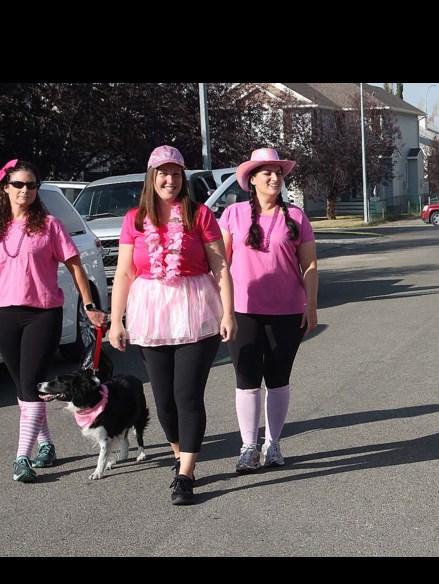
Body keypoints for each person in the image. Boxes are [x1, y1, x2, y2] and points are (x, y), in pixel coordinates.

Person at [108, 145, 236, 505]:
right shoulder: (134, 218)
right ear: (152, 177)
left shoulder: (200, 215)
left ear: (183, 178)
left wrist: (229, 313)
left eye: (176, 173)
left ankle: (186, 474)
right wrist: (116, 320)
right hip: (151, 313)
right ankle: (180, 453)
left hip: (196, 310)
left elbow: (220, 268)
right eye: (163, 173)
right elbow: (124, 272)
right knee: (163, 401)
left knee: (187, 395)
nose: (170, 180)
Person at [0, 159, 109, 482]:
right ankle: (46, 444)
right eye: (18, 184)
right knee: (24, 387)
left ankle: (22, 457)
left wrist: (89, 304)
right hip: (5, 314)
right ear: (5, 187)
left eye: (31, 185)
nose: (25, 191)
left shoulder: (49, 224)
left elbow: (76, 266)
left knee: (32, 382)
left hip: (42, 314)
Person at [219, 149, 318, 473]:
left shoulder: (297, 216)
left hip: (287, 311)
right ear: (252, 180)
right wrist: (224, 311)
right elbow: (220, 264)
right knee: (246, 378)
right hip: (244, 310)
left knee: (278, 379)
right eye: (267, 173)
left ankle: (272, 444)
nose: (275, 178)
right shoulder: (233, 215)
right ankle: (248, 446)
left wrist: (311, 306)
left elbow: (310, 265)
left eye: (278, 173)